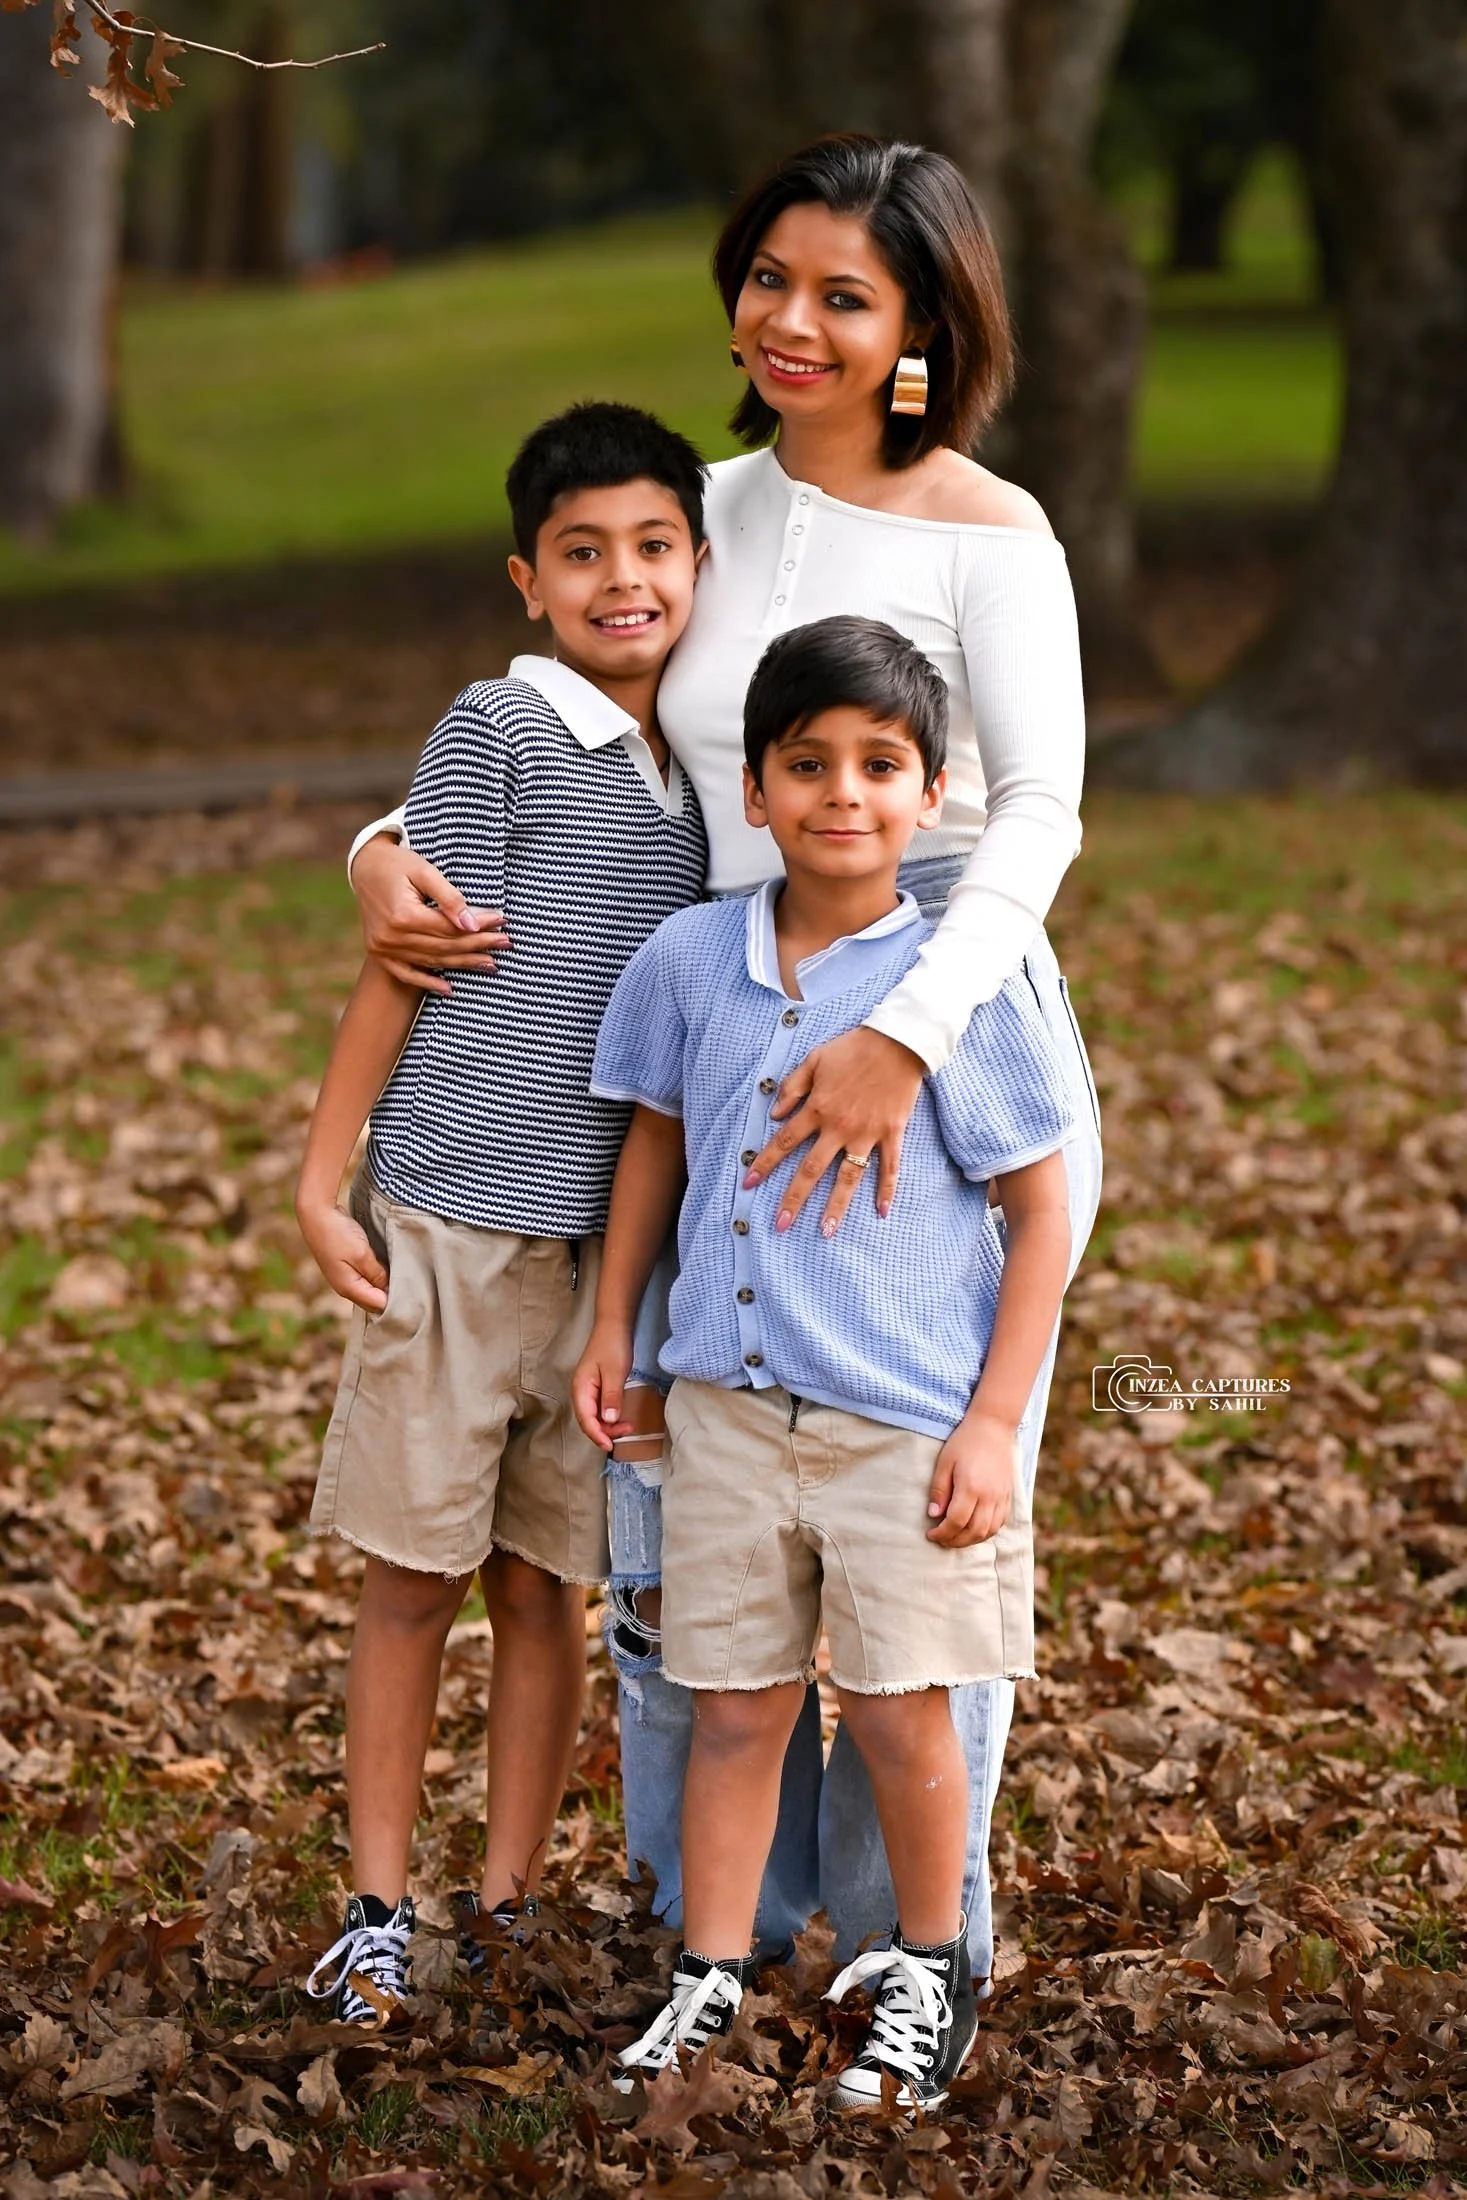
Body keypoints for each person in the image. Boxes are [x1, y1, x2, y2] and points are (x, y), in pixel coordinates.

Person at [344, 134, 1104, 1989]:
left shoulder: (987, 531)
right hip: (704, 1014)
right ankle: (728, 1930)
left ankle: (913, 1934)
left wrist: (904, 1050)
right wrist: (378, 844)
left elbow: (1042, 814)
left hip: (929, 1007)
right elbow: (579, 712)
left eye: (846, 294)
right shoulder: (705, 499)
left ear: (923, 323)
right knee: (694, 1477)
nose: (794, 321)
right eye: (770, 277)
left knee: (910, 1472)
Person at [573, 616, 1076, 2110]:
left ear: (929, 797)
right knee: (728, 1701)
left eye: (877, 765)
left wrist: (992, 1424)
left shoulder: (953, 984)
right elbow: (651, 1148)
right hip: (723, 1407)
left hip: (900, 1418)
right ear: (755, 787)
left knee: (904, 1704)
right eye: (807, 764)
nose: (841, 794)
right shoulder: (686, 961)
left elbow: (1040, 1212)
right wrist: (618, 1328)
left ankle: (929, 1963)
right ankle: (708, 1976)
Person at [295, 401, 709, 2023]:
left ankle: (511, 1900)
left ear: (696, 560)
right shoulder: (499, 728)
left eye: (655, 546)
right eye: (584, 553)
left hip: (605, 1255)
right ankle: (377, 1907)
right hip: (456, 1228)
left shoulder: (704, 777)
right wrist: (322, 1179)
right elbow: (402, 960)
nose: (624, 580)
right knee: (413, 1574)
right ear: (526, 579)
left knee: (547, 1588)